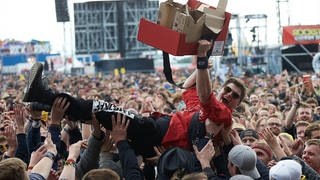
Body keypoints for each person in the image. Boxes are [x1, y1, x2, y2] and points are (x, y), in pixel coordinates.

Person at [22, 40, 247, 158]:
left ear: (238, 104)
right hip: (153, 131)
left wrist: (200, 60)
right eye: (227, 90)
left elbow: (206, 95)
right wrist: (204, 64)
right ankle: (44, 99)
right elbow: (189, 87)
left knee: (99, 109)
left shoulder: (223, 115)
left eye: (235, 96)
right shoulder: (202, 106)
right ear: (222, 89)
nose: (229, 96)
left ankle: (44, 95)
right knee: (97, 112)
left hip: (154, 133)